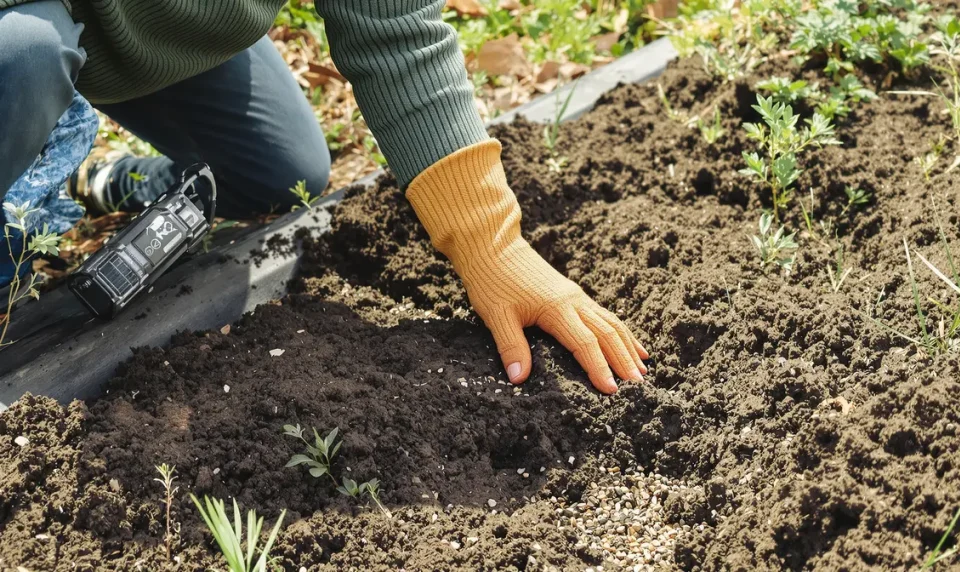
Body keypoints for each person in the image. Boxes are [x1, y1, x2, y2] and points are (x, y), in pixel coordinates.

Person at [0, 0, 648, 393]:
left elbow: (393, 27)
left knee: (281, 178)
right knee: (26, 55)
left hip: (158, 32)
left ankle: (113, 180)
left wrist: (492, 244)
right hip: (32, 27)